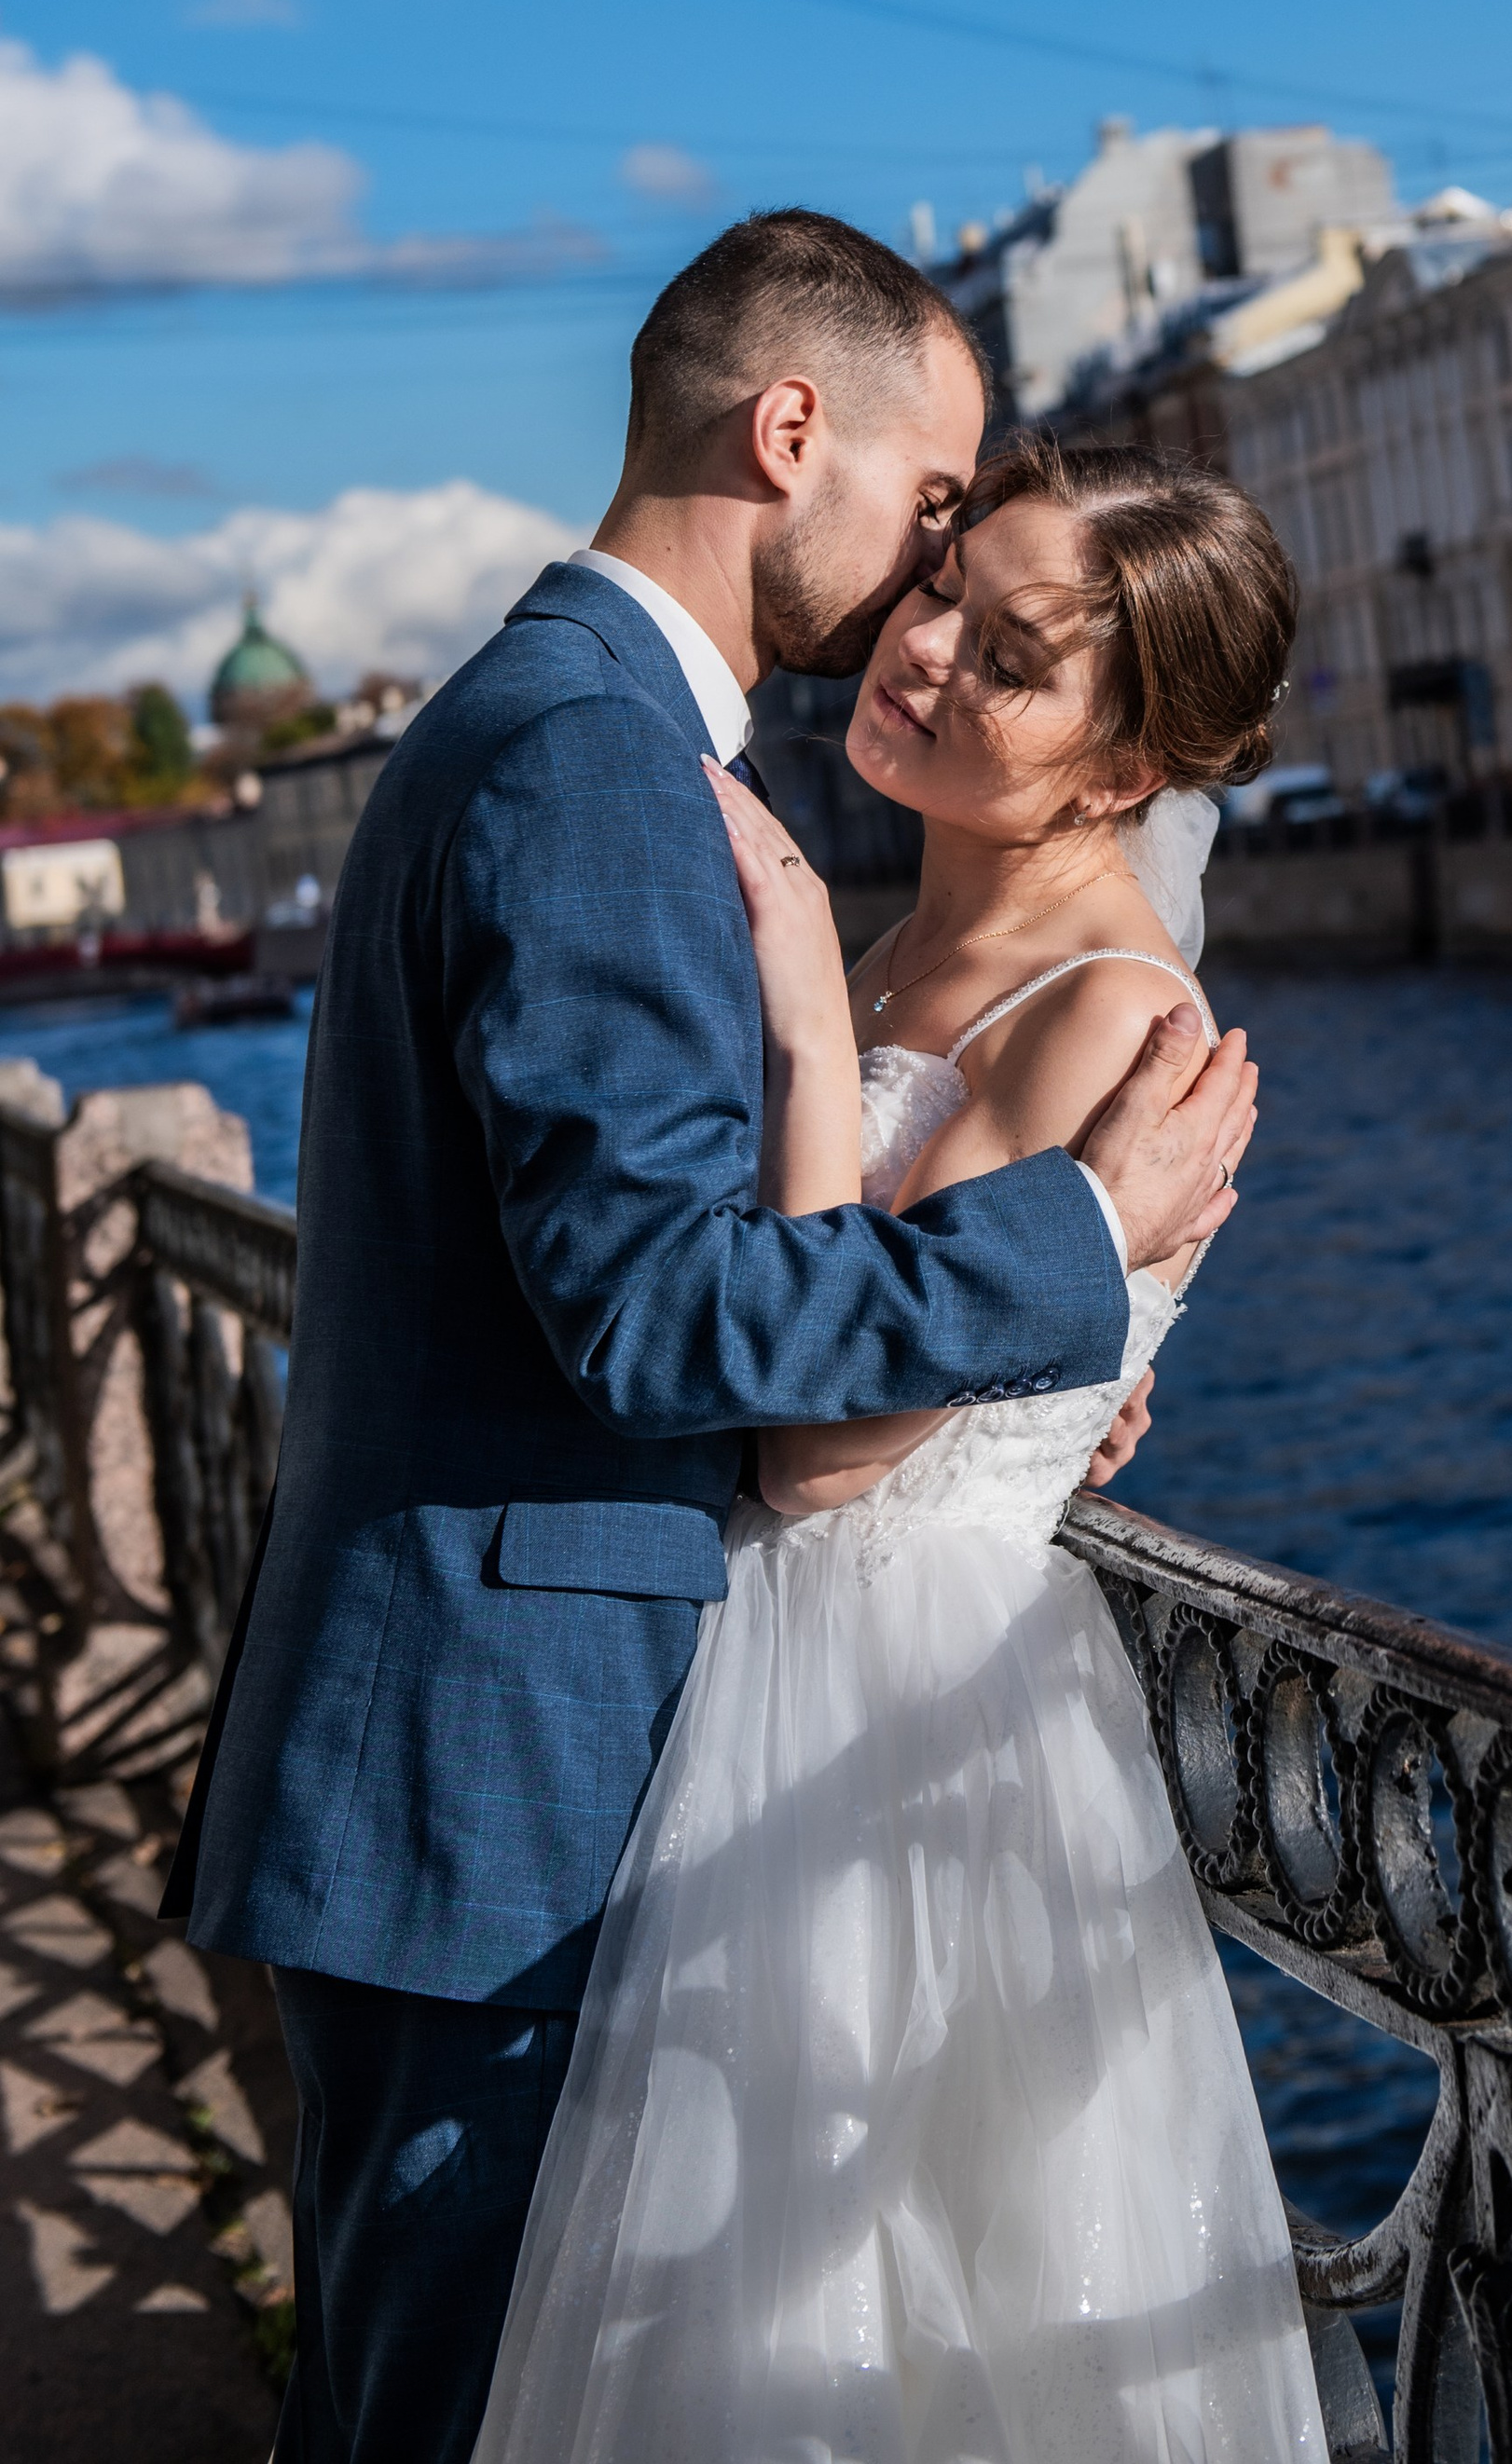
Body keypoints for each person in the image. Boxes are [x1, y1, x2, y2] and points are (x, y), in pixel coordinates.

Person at [159, 215, 1259, 2464]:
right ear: (791, 433)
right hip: (508, 1780)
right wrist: (1060, 1269)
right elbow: (665, 1310)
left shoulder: (565, 725)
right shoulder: (598, 764)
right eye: (933, 521)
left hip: (635, 1760)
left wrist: (1038, 1376)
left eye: (987, 594)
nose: (921, 598)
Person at [473, 431, 1326, 2461]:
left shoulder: (1101, 1001)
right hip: (794, 1678)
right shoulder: (906, 940)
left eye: (1010, 656)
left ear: (1125, 771)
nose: (922, 647)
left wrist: (791, 1031)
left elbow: (823, 1456)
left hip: (897, 1726)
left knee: (884, 2330)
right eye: (944, 587)